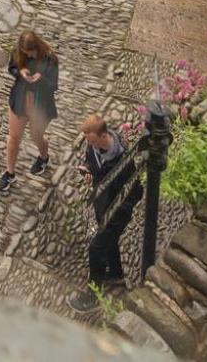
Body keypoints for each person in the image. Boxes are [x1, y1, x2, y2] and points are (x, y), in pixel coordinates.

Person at [67, 114, 143, 312]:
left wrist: (119, 211)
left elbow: (136, 191)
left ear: (102, 135)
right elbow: (91, 161)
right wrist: (87, 169)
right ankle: (116, 275)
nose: (87, 142)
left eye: (89, 138)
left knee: (96, 248)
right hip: (102, 205)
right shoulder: (93, 145)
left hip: (117, 212)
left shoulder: (124, 159)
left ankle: (93, 296)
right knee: (109, 244)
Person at [0, 30, 59, 195]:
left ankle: (44, 158)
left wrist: (42, 78)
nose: (28, 56)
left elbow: (54, 86)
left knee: (36, 136)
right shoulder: (17, 52)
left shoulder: (50, 58)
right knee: (13, 138)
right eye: (25, 53)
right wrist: (20, 72)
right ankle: (9, 173)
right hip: (20, 99)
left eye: (30, 52)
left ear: (36, 47)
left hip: (41, 104)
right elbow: (12, 68)